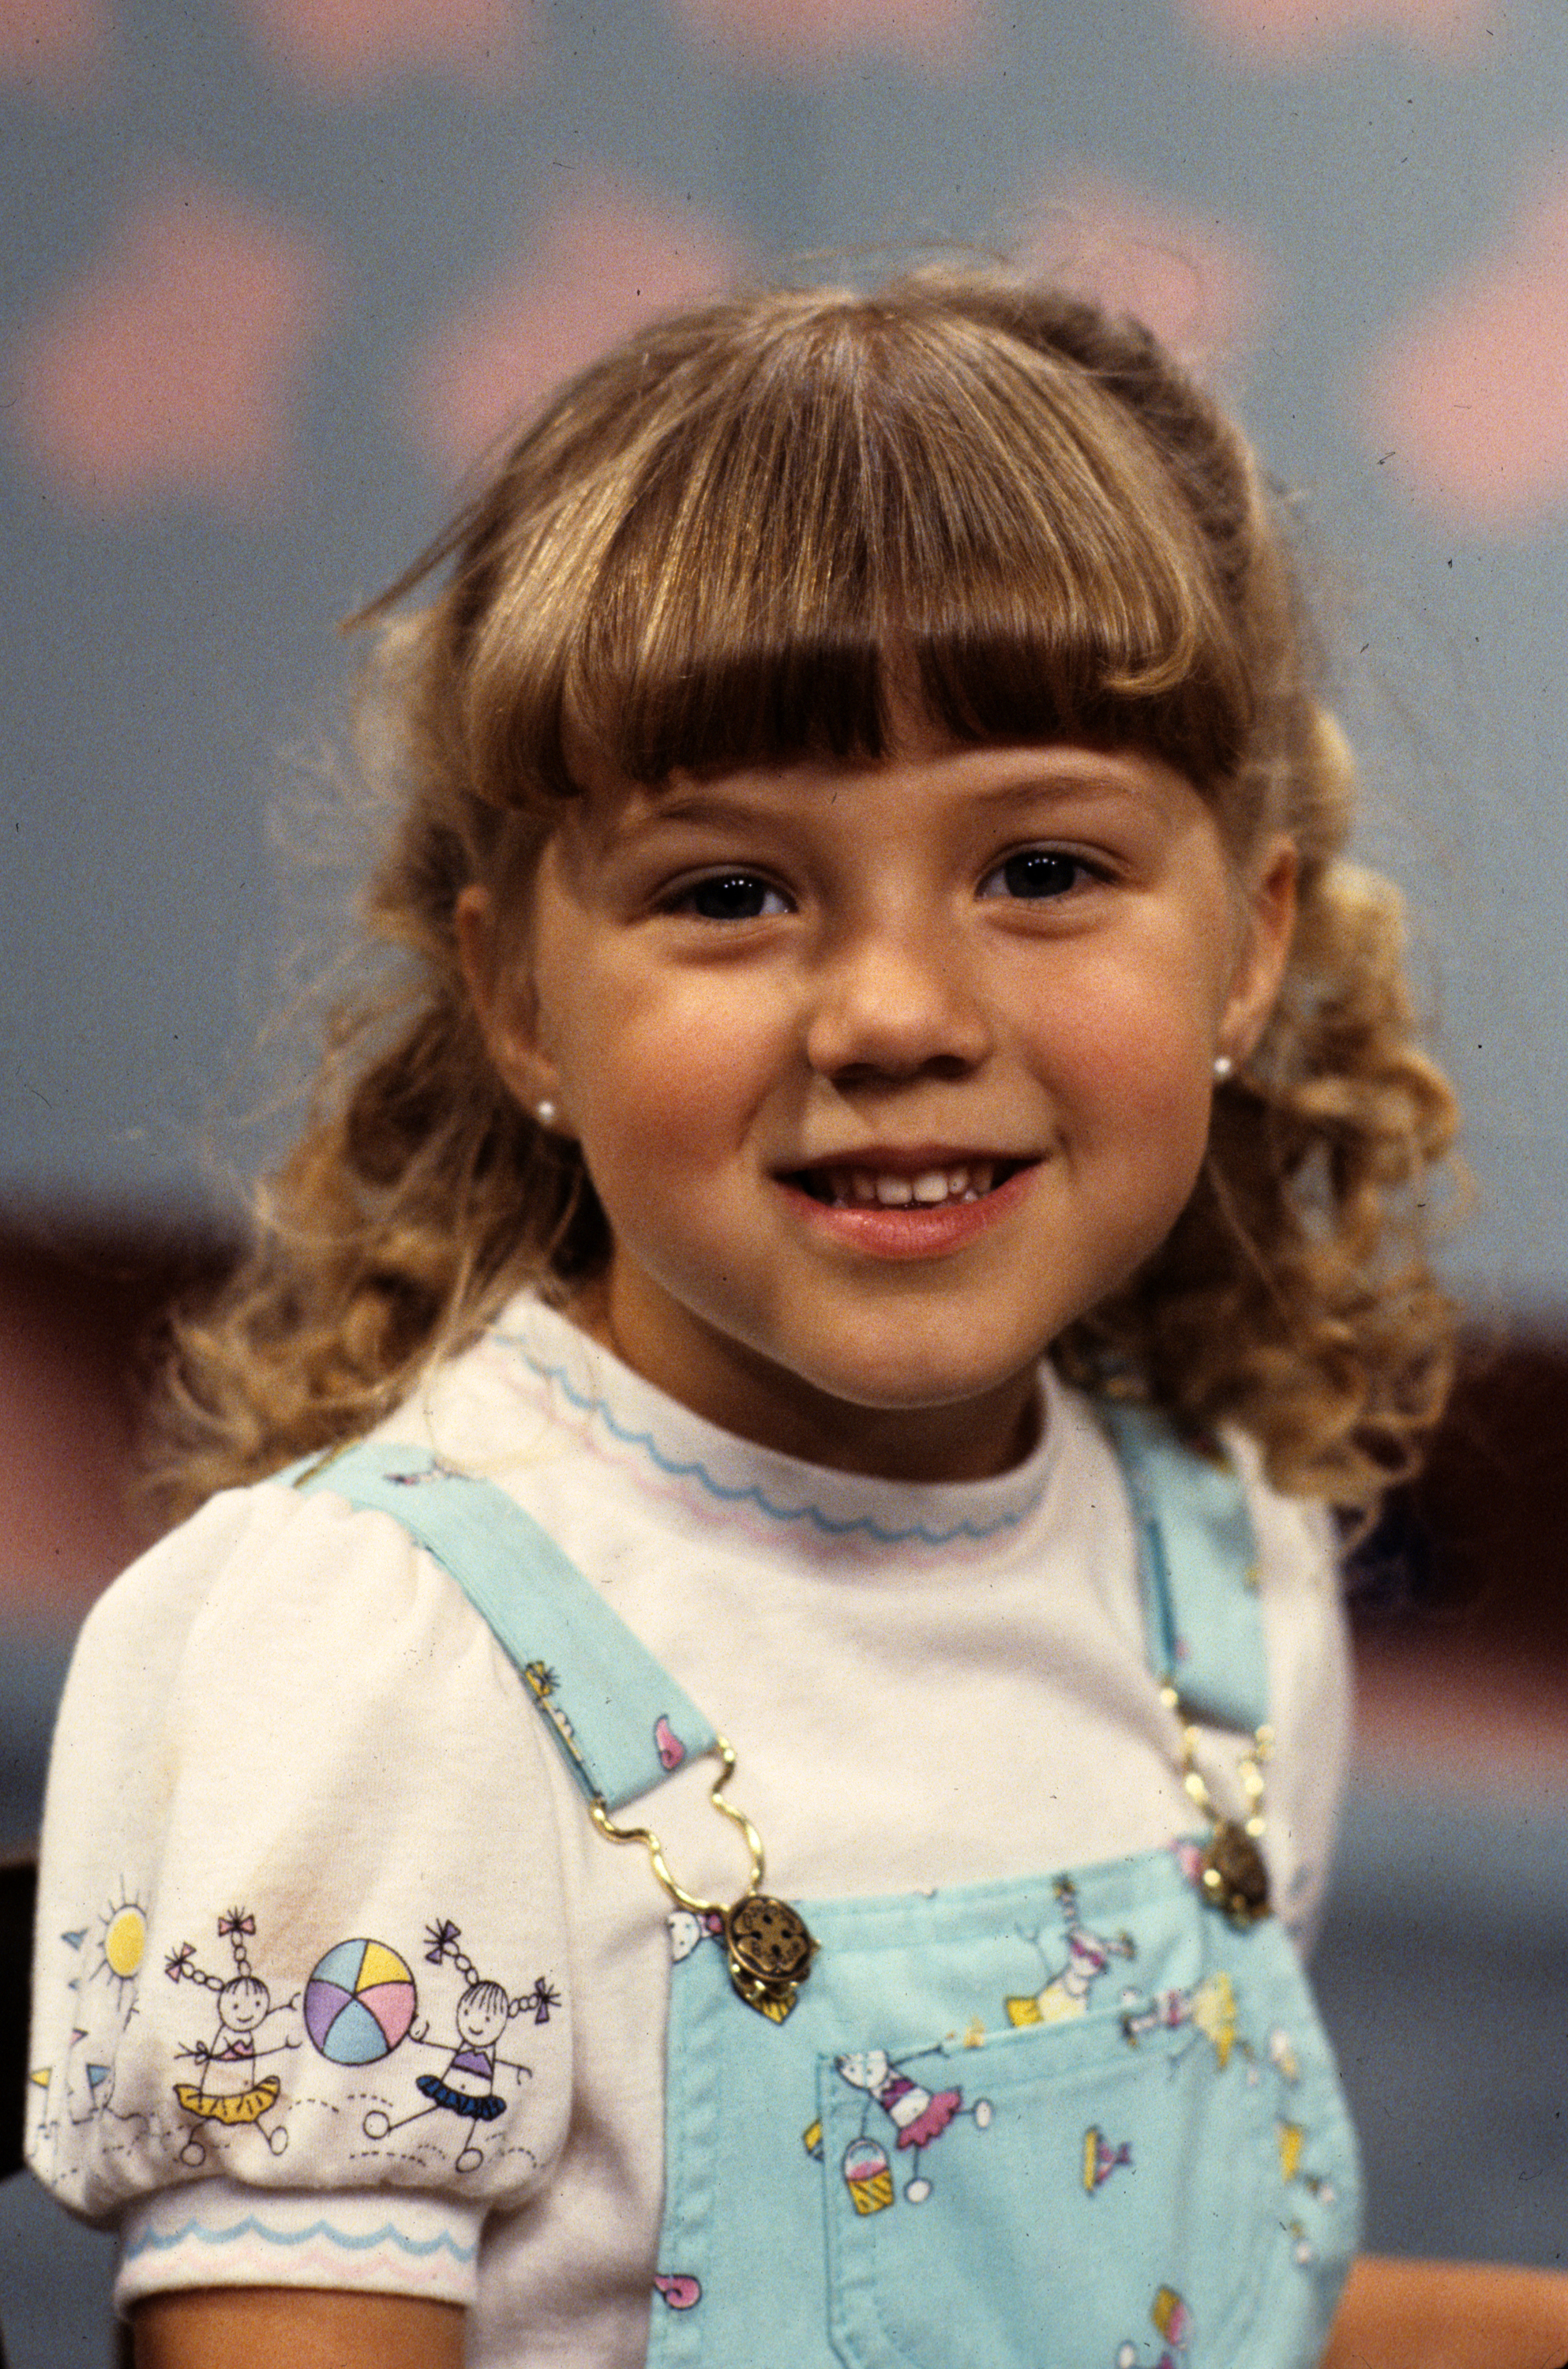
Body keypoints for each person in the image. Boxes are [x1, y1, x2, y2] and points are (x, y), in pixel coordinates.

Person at [26, 268, 1537, 2369]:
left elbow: (1161, 2299)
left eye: (1038, 866)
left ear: (1249, 943)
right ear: (518, 992)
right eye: (730, 891)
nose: (897, 1014)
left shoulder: (1223, 1581)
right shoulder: (387, 1659)